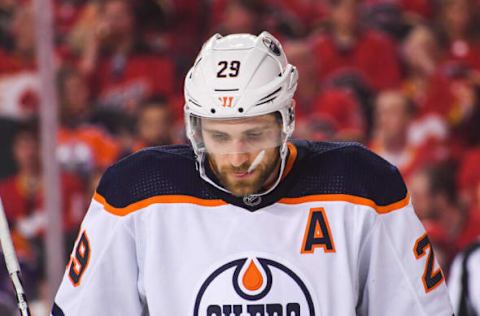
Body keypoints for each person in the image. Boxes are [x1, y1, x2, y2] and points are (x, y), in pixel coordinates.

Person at [52, 32, 453, 315]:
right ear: (195, 130)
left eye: (254, 134)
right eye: (220, 137)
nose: (238, 156)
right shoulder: (135, 193)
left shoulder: (362, 186)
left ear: (287, 121)